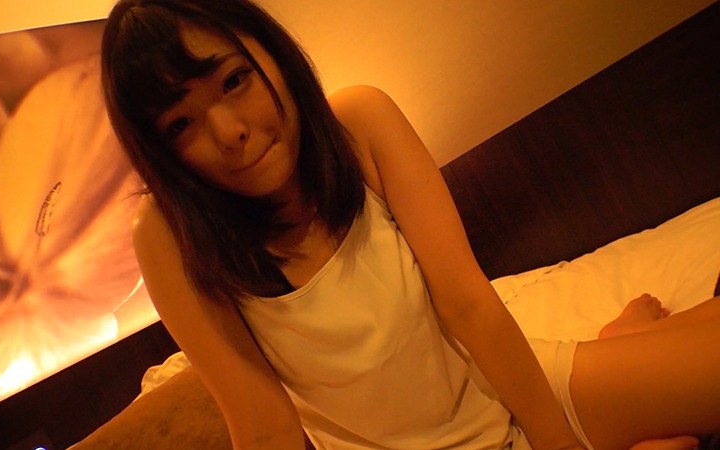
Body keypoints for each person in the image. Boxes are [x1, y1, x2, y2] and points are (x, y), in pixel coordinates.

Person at [97, 0, 720, 448]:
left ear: (271, 53)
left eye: (235, 81)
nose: (228, 131)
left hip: (516, 387)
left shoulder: (359, 124)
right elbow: (265, 426)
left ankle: (616, 351)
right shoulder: (169, 237)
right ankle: (622, 349)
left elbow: (468, 304)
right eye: (181, 125)